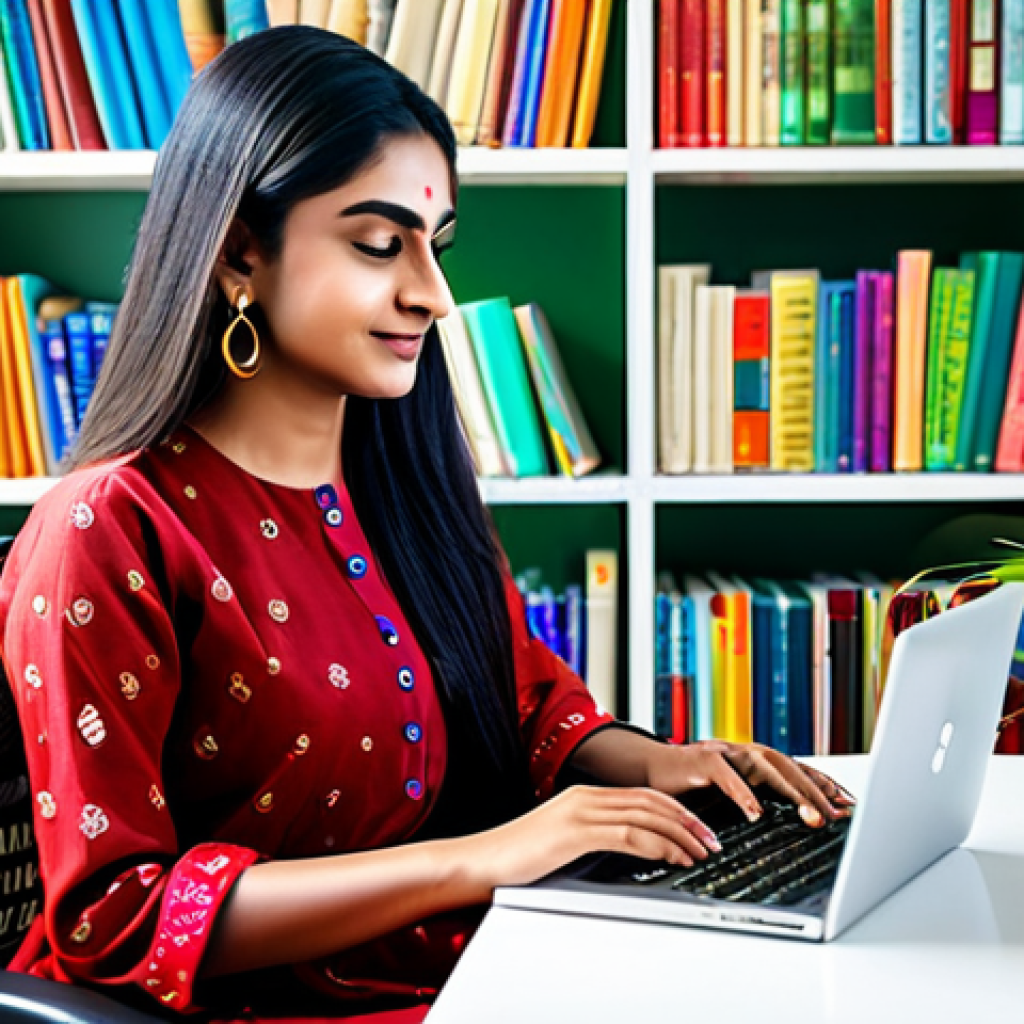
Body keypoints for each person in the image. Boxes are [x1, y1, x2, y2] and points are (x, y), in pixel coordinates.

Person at [0, 26, 850, 1024]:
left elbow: (519, 702)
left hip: (471, 966)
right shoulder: (107, 529)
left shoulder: (398, 488)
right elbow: (116, 917)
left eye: (434, 245)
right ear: (239, 248)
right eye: (377, 244)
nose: (432, 294)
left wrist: (666, 764)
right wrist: (485, 858)